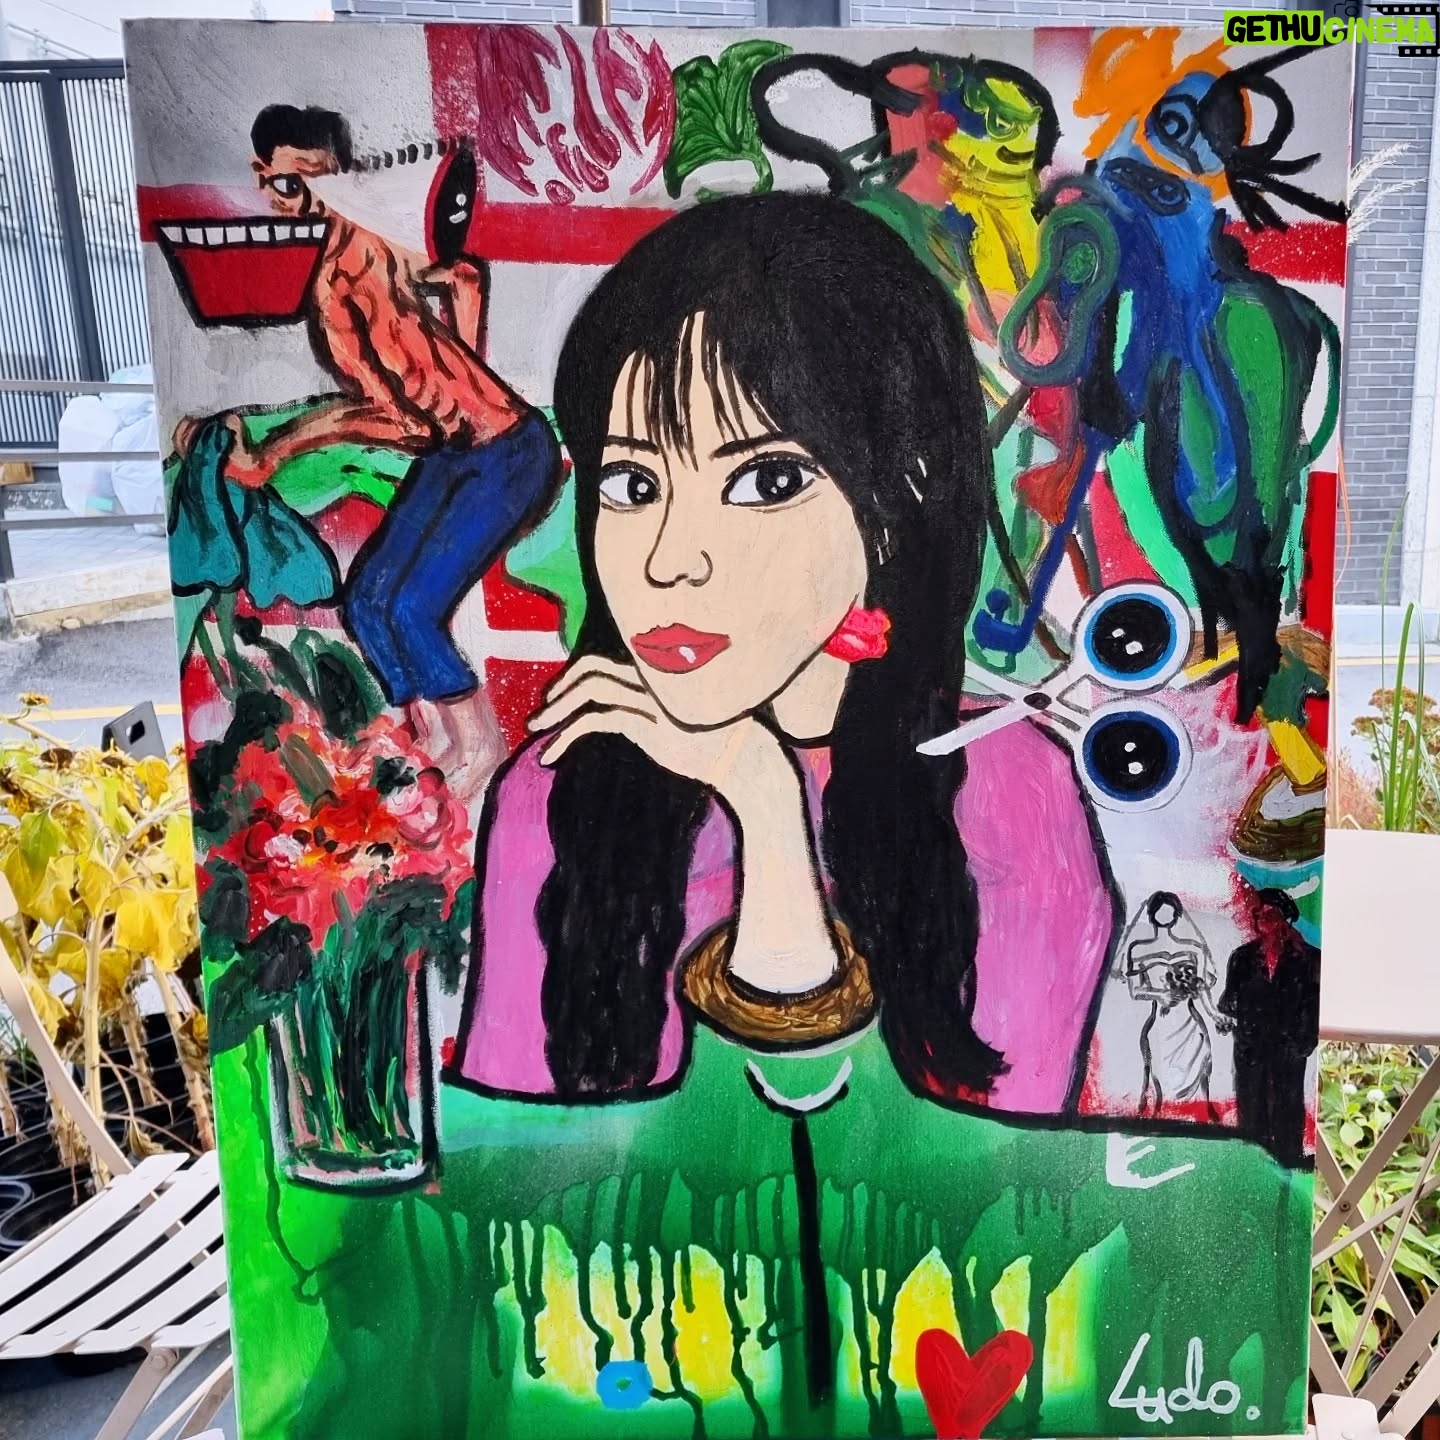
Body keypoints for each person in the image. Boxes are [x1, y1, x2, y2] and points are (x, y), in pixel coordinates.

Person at [449, 192, 1119, 1110]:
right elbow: (521, 1149)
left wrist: (766, 802)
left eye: (765, 481)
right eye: (633, 484)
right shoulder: (555, 793)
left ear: (895, 500)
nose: (669, 561)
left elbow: (986, 1161)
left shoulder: (1009, 789)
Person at [199, 104, 562, 775]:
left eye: (325, 185)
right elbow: (463, 282)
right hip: (461, 449)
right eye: (290, 187)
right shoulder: (349, 259)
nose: (309, 205)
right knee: (367, 601)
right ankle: (437, 742)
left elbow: (402, 422)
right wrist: (462, 343)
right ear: (262, 178)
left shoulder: (350, 274)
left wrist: (281, 449)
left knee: (413, 608)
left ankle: (481, 748)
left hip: (508, 455)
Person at [1219, 887, 1320, 1167]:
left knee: (1288, 1105)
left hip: (1290, 1048)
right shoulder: (1242, 957)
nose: (1263, 920)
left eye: (1271, 914)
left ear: (1286, 918)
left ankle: (1288, 1160)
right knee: (1252, 1106)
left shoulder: (1310, 958)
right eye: (1258, 914)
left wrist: (1302, 1044)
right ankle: (1253, 1165)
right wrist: (1233, 1020)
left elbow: (1314, 1005)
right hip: (1251, 1047)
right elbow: (1228, 1001)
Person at [1122, 891, 1231, 1119]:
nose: (1165, 915)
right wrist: (1161, 995)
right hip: (1160, 1022)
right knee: (1158, 1070)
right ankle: (1157, 1113)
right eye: (1160, 911)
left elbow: (1202, 989)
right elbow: (1135, 991)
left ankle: (1205, 1112)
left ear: (1177, 915)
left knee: (1202, 1061)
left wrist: (1214, 1014)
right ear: (1152, 914)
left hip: (1190, 1021)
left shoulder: (1194, 948)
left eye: (1170, 911)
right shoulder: (1138, 949)